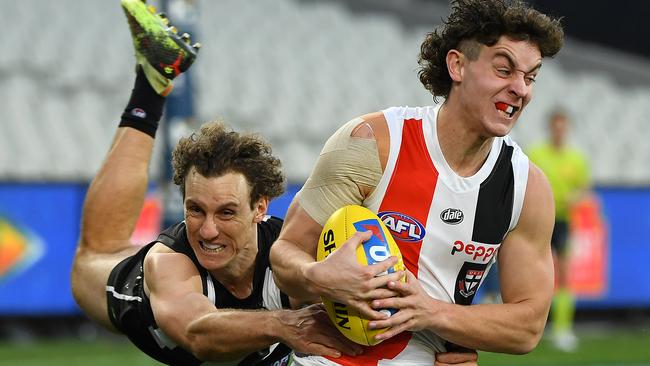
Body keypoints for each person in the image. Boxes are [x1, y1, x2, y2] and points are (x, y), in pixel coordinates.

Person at [269, 0, 564, 364]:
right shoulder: (373, 142)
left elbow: (528, 326)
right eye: (504, 70)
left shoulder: (526, 186)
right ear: (457, 65)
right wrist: (320, 276)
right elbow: (284, 256)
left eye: (530, 77)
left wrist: (435, 313)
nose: (521, 89)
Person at [70, 1, 361, 364]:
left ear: (260, 207)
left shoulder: (293, 253)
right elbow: (198, 333)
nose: (207, 231)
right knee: (94, 254)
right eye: (195, 210)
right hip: (120, 290)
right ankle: (150, 87)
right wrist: (285, 324)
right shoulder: (168, 262)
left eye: (226, 212)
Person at [527, 109, 591, 352]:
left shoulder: (576, 159)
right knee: (534, 274)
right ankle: (533, 325)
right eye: (556, 126)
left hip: (563, 221)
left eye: (563, 126)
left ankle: (563, 329)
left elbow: (583, 189)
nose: (559, 130)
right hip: (539, 219)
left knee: (563, 274)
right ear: (550, 127)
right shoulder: (537, 153)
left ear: (567, 129)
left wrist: (576, 198)